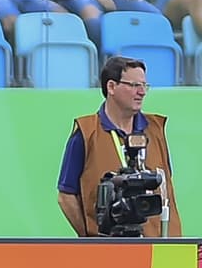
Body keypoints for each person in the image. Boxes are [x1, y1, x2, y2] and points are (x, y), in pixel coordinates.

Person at [57, 56, 182, 237]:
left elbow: (167, 186)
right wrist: (88, 237)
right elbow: (66, 196)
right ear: (111, 87)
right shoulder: (86, 132)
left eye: (144, 86)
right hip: (109, 249)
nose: (142, 92)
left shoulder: (156, 129)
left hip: (161, 247)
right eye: (134, 85)